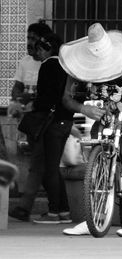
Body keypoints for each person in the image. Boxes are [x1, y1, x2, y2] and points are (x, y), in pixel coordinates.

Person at [59, 23, 122, 237]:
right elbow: (66, 99)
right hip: (104, 113)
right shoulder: (78, 64)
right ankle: (93, 217)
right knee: (97, 163)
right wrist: (84, 108)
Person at [9, 33, 72, 224]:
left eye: (38, 49)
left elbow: (46, 97)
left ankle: (54, 212)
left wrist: (31, 106)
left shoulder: (48, 66)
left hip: (52, 123)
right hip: (65, 121)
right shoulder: (65, 65)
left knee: (49, 169)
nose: (37, 53)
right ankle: (64, 211)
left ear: (46, 48)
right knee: (53, 168)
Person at [7, 22, 52, 117]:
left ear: (43, 42)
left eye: (33, 39)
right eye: (28, 38)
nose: (29, 43)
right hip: (26, 116)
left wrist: (31, 97)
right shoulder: (24, 61)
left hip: (44, 116)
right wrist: (17, 97)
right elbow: (17, 86)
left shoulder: (51, 64)